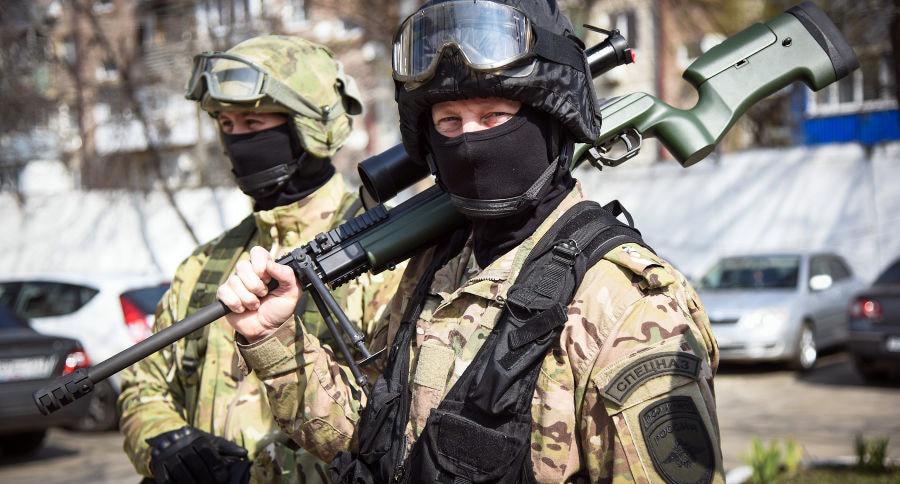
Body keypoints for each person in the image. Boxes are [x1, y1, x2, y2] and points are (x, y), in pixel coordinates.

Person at [219, 2, 725, 482]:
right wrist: (272, 338)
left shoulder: (625, 305)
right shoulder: (436, 269)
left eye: (494, 116)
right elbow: (371, 438)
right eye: (449, 122)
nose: (469, 141)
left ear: (552, 119)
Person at [118, 35, 402, 484]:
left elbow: (393, 428)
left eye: (252, 122)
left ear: (311, 126)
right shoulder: (205, 265)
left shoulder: (385, 255)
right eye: (226, 124)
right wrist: (165, 442)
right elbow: (144, 386)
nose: (236, 140)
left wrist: (261, 476)